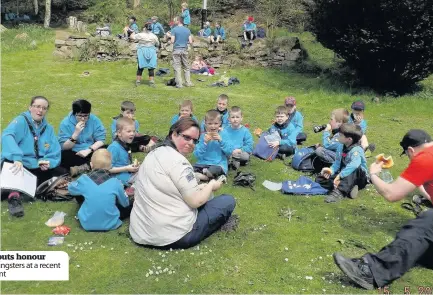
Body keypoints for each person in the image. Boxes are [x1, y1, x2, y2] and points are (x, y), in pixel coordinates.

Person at [333, 129, 433, 290]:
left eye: (408, 156)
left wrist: (373, 175)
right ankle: (421, 255)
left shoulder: (425, 158)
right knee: (422, 243)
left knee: (421, 227)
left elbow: (391, 194)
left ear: (411, 151)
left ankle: (371, 271)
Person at [129, 118, 236, 249]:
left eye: (195, 140)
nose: (191, 143)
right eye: (186, 137)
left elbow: (171, 187)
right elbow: (196, 202)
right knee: (227, 201)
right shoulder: (179, 163)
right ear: (174, 134)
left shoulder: (154, 153)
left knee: (205, 195)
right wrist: (211, 185)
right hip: (173, 235)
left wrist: (201, 187)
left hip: (140, 232)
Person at [1, 96, 62, 217]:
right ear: (30, 108)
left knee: (59, 172)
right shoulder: (21, 121)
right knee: (13, 167)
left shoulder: (48, 129)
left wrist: (48, 162)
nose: (40, 110)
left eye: (44, 108)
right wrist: (17, 158)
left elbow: (55, 151)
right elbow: (7, 136)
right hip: (18, 162)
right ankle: (14, 198)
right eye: (37, 106)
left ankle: (11, 189)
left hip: (36, 165)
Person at [68, 149, 131, 231]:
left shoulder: (84, 179)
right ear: (110, 166)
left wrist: (74, 183)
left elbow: (71, 190)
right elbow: (125, 203)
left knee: (80, 193)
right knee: (129, 205)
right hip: (111, 224)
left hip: (87, 224)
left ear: (91, 165)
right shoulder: (115, 182)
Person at [316, 123, 368, 203]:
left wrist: (340, 175)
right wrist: (331, 170)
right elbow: (337, 163)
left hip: (358, 177)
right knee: (320, 179)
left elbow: (354, 165)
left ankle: (339, 192)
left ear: (349, 139)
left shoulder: (357, 150)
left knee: (355, 169)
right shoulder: (341, 146)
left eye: (340, 135)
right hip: (344, 175)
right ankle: (349, 188)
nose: (338, 136)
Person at [58, 99, 106, 175]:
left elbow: (101, 139)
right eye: (80, 116)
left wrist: (89, 150)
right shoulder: (65, 123)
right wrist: (76, 133)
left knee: (108, 149)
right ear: (74, 113)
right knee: (64, 156)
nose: (83, 119)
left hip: (91, 149)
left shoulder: (94, 120)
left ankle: (85, 167)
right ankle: (95, 165)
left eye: (86, 116)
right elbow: (64, 147)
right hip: (74, 152)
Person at [194, 110, 233, 181]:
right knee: (189, 169)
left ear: (220, 123)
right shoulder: (202, 136)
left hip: (218, 164)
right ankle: (207, 176)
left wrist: (221, 141)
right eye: (210, 123)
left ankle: (204, 176)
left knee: (214, 170)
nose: (213, 126)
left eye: (216, 123)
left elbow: (229, 152)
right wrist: (205, 143)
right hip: (203, 163)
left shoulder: (224, 134)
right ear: (205, 123)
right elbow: (197, 155)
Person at [107, 118, 140, 186]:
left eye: (134, 131)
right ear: (119, 133)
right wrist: (127, 168)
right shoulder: (114, 147)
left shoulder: (126, 144)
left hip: (127, 173)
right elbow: (107, 169)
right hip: (118, 177)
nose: (132, 134)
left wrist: (133, 166)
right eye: (129, 131)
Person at [131, 21, 159, 87]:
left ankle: (138, 81)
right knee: (151, 67)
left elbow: (132, 37)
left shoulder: (140, 35)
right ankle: (151, 82)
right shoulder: (154, 36)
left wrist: (133, 32)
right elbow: (157, 44)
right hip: (151, 51)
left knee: (140, 67)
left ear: (145, 28)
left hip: (142, 51)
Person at [171, 16, 194, 88]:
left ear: (178, 21)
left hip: (176, 50)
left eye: (175, 20)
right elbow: (190, 41)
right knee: (186, 67)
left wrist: (169, 36)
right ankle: (188, 82)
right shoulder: (187, 30)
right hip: (184, 50)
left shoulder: (174, 29)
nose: (174, 21)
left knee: (177, 67)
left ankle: (179, 84)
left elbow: (172, 41)